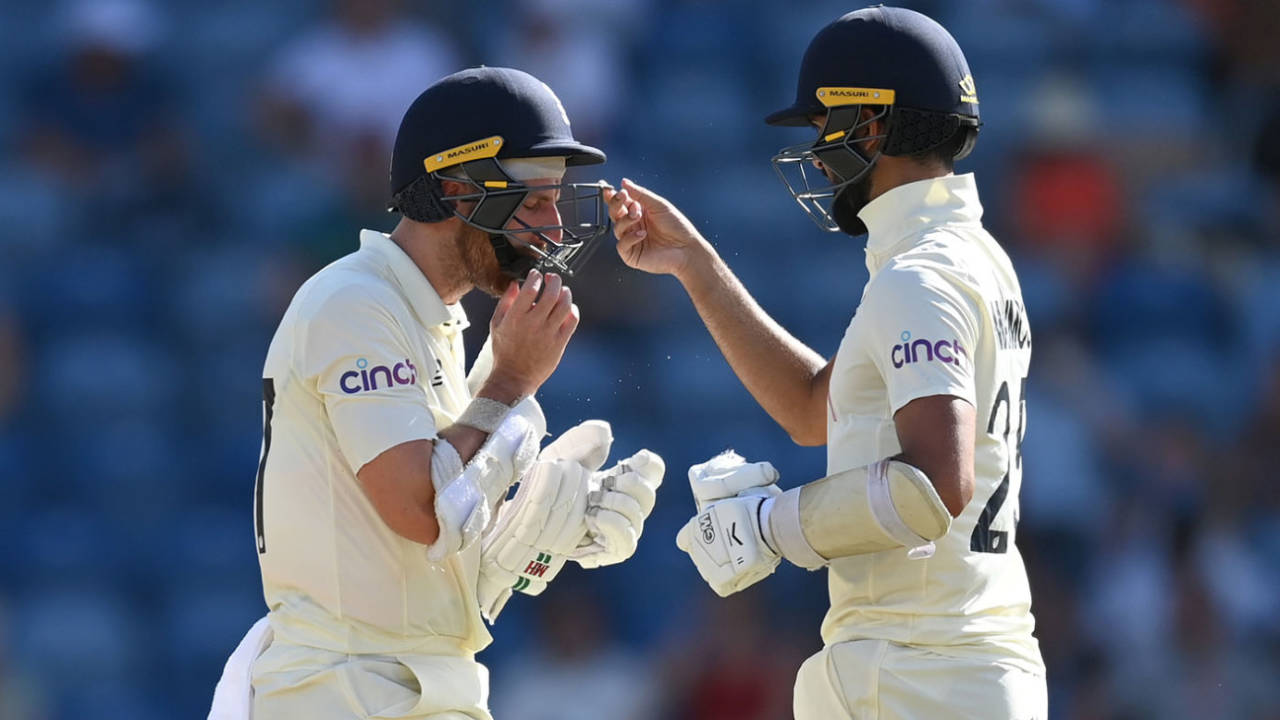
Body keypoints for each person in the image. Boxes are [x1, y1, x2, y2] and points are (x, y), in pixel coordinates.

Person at [604, 7, 1046, 719]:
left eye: (822, 131)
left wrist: (772, 525)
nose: (815, 155)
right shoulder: (970, 259)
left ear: (870, 127)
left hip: (919, 672)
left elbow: (937, 484)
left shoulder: (919, 277)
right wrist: (695, 264)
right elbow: (817, 409)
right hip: (953, 665)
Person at [208, 66, 665, 720]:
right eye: (535, 201)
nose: (556, 230)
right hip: (344, 689)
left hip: (410, 683)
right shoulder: (355, 303)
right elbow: (419, 510)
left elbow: (431, 552)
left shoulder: (431, 320)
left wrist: (547, 525)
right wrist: (510, 380)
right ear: (456, 189)